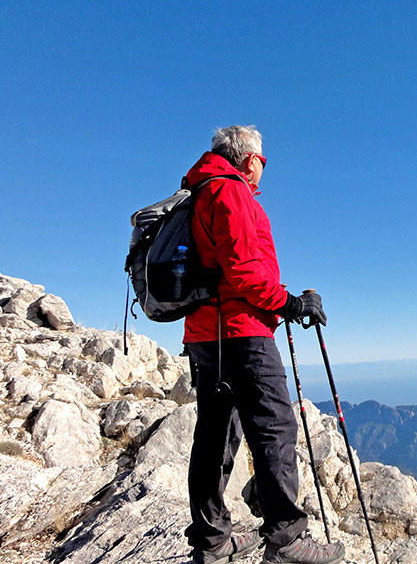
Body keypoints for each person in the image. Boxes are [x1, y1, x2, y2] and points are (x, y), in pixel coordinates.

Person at [182, 125, 345, 564]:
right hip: (241, 332)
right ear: (248, 158)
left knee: (216, 435)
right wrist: (289, 303)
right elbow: (243, 275)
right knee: (275, 427)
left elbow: (227, 270)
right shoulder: (231, 192)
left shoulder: (201, 191)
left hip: (206, 334)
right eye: (264, 161)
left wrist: (278, 295)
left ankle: (212, 542)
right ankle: (287, 539)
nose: (263, 169)